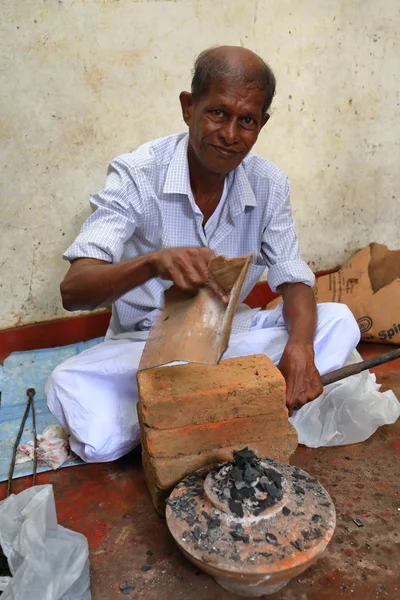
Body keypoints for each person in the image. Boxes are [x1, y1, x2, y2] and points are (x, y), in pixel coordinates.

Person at [46, 46, 360, 462]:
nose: (230, 134)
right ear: (188, 107)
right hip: (147, 352)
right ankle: (234, 411)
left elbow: (294, 277)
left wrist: (301, 347)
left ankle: (194, 418)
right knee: (69, 386)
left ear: (262, 124)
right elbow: (75, 291)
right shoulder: (137, 174)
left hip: (231, 343)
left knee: (337, 321)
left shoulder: (269, 184)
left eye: (247, 120)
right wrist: (153, 262)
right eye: (217, 113)